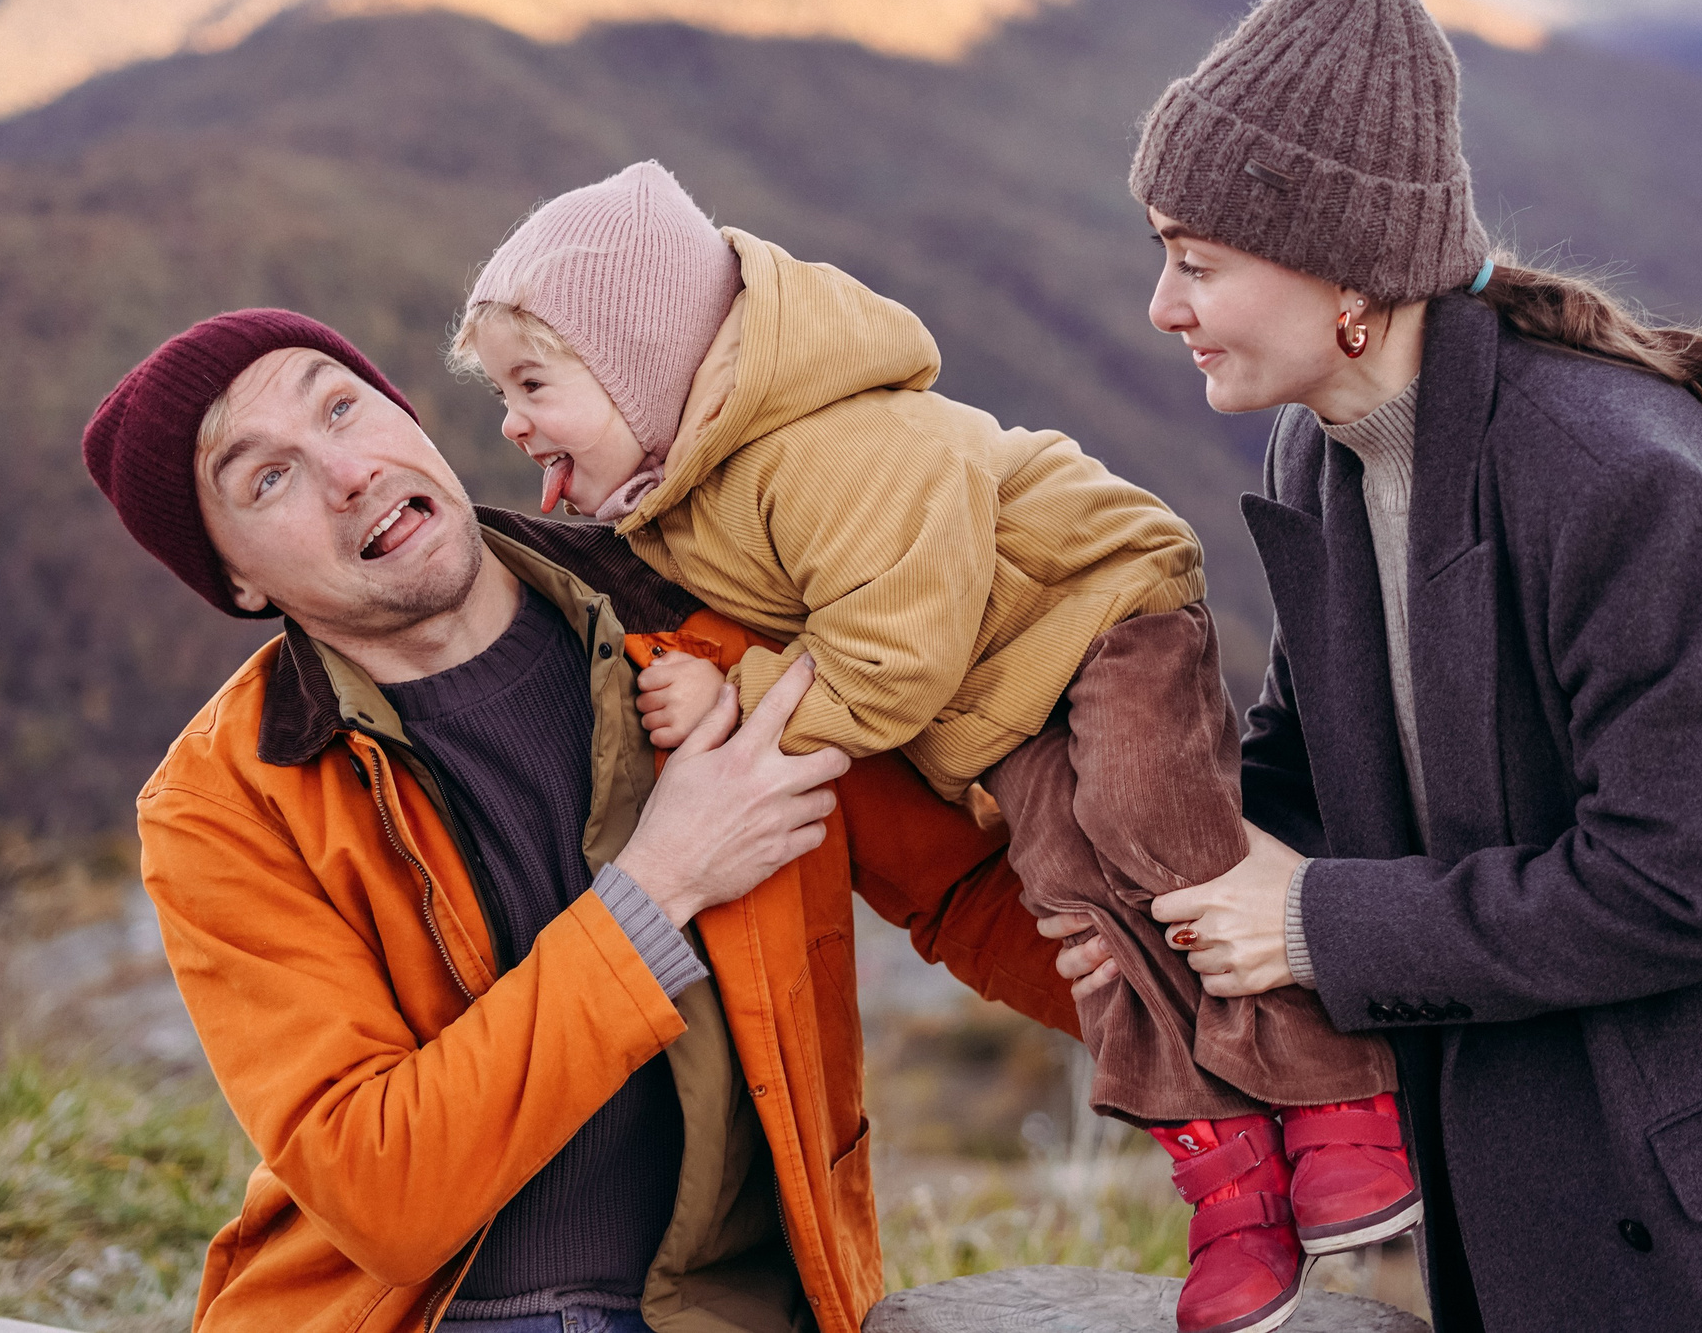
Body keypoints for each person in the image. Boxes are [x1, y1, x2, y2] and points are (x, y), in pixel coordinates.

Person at [1050, 0, 1702, 1333]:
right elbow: (1316, 771)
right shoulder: (1323, 454)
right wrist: (1154, 914)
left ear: (1346, 271)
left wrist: (1308, 925)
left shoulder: (1608, 471)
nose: (1161, 305)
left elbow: (1697, 879)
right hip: (1565, 1192)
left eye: (1197, 262)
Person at [450, 163, 1417, 1333]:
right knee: (1077, 908)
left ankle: (1342, 1102)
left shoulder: (830, 448)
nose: (510, 421)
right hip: (1003, 704)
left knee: (1149, 827)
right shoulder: (679, 502)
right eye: (502, 392)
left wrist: (737, 693)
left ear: (644, 366)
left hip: (1099, 612)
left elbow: (891, 654)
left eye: (534, 384)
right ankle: (1234, 1180)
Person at [79, 309, 1077, 1333]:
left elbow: (966, 889)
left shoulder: (698, 612)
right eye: (267, 479)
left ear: (405, 415)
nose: (347, 473)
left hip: (727, 1312)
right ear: (235, 579)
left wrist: (1184, 1007)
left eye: (340, 407)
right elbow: (380, 1189)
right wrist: (660, 885)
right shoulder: (227, 802)